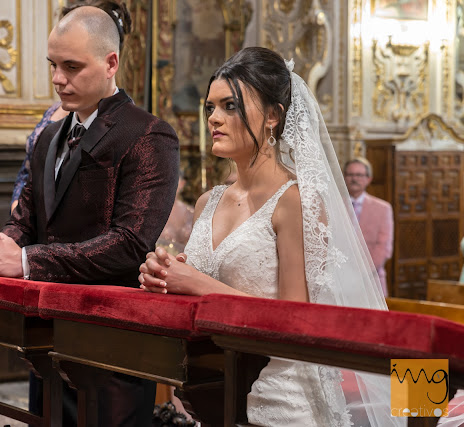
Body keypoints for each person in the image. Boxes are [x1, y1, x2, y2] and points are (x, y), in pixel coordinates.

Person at [139, 47, 400, 426]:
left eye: (230, 106)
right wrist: (163, 276)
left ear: (273, 116)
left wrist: (196, 283)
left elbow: (294, 321)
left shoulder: (296, 201)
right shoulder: (207, 202)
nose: (215, 118)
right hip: (211, 384)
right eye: (210, 107)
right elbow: (191, 290)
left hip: (278, 395)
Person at [0, 3, 179, 426]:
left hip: (111, 340)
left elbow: (131, 242)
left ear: (111, 62)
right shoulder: (50, 138)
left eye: (72, 66)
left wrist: (24, 261)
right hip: (47, 334)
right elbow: (27, 219)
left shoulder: (149, 135)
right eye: (54, 65)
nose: (59, 79)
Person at [344, 157, 394, 296]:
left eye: (359, 175)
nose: (354, 179)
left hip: (371, 280)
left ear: (368, 179)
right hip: (339, 279)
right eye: (350, 174)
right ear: (344, 177)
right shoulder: (333, 205)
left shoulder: (383, 208)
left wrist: (359, 273)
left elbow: (384, 247)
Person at [11, 101, 67, 213]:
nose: (57, 82)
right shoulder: (54, 108)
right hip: (26, 207)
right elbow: (27, 170)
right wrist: (17, 204)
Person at [156, 172, 194, 256]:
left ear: (182, 183)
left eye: (173, 179)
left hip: (185, 263)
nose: (169, 184)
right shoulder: (153, 211)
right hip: (159, 261)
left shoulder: (191, 212)